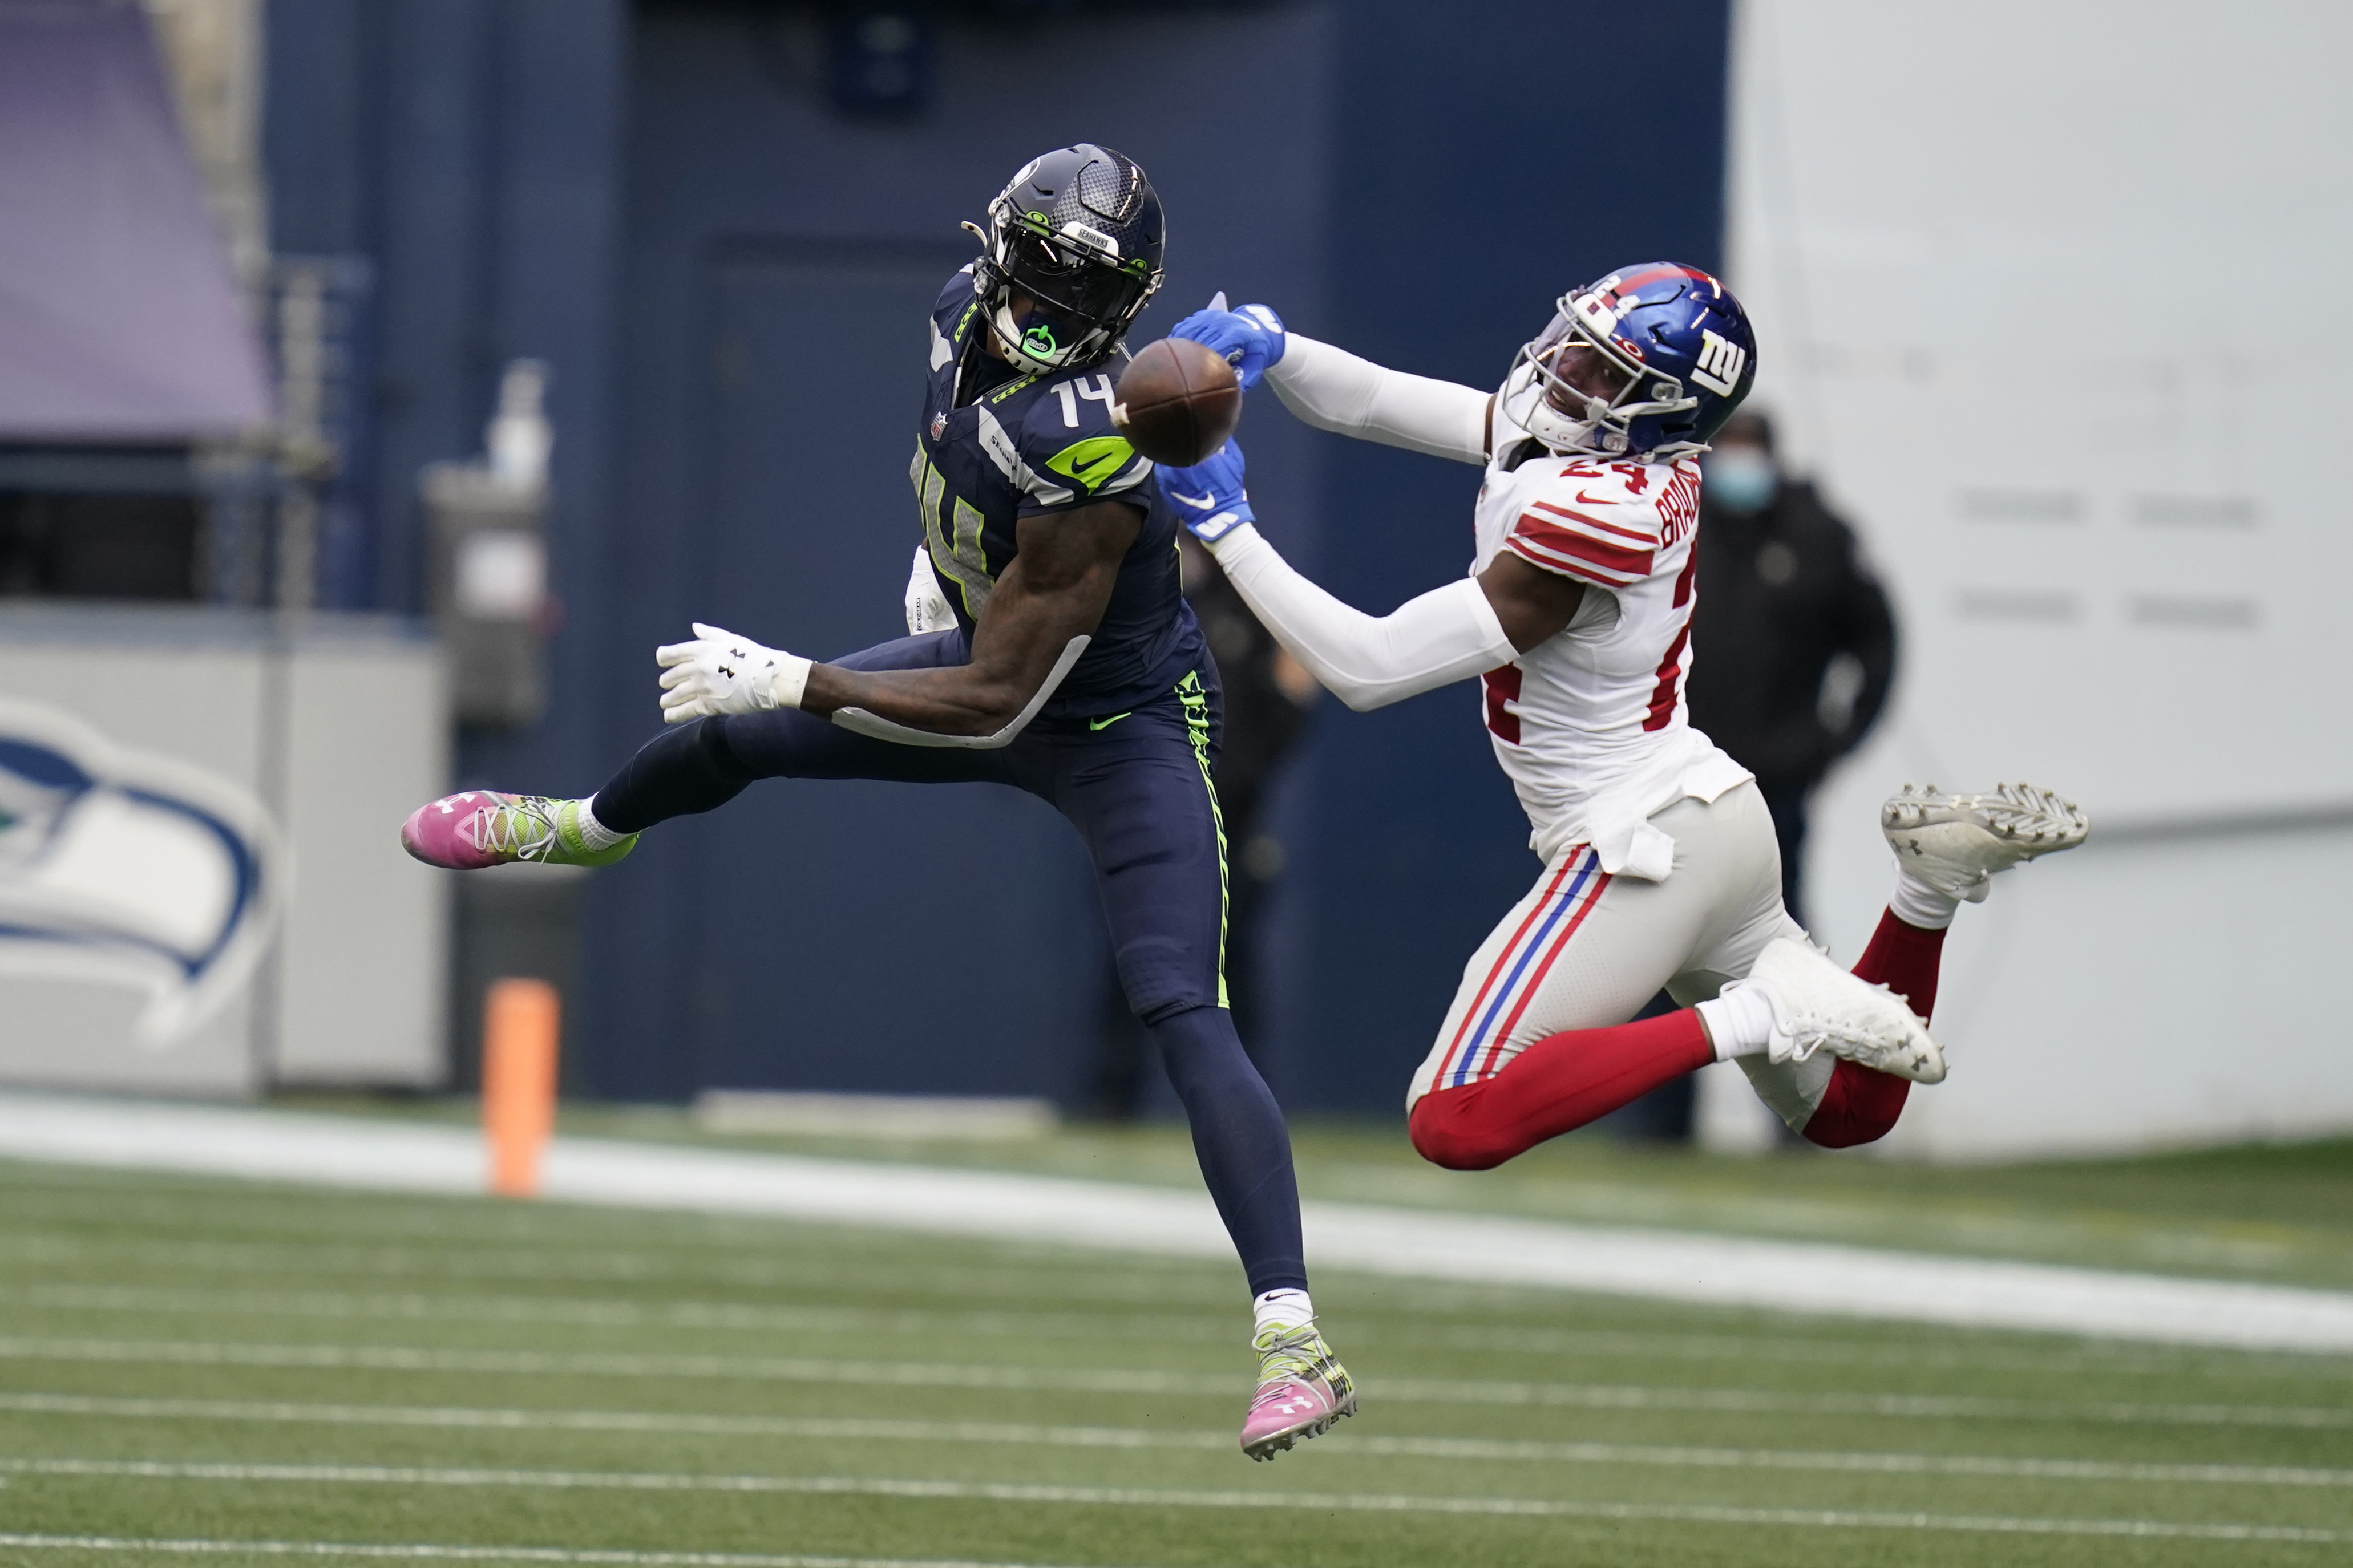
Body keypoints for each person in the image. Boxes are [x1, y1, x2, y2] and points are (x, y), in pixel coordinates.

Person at [398, 145, 1353, 1462]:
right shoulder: (965, 306)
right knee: (739, 742)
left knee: (1177, 994)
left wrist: (800, 671)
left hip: (1116, 721)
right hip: (992, 650)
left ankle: (1292, 1333)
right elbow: (949, 453)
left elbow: (997, 698)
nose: (1047, 304)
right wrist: (946, 556)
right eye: (1048, 272)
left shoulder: (1095, 448)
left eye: (1084, 292)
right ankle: (580, 827)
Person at [1158, 266, 2086, 1165]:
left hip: (1640, 841)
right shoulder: (1608, 449)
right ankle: (1926, 888)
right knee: (1846, 1109)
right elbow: (1374, 402)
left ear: (1661, 410)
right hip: (1705, 814)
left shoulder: (1596, 514)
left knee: (1456, 1114)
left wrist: (1225, 526)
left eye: (1604, 370)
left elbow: (1367, 665)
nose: (1565, 369)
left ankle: (1764, 1010)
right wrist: (1274, 348)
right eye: (1575, 342)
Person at [1086, 536, 1319, 1119]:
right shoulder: (1143, 605)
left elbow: (1286, 706)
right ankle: (1111, 1099)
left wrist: (1234, 772)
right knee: (1133, 956)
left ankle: (1245, 1106)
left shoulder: (1249, 608)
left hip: (1231, 818)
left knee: (1231, 960)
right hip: (1151, 814)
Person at [1684, 410, 1896, 926]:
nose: (1738, 464)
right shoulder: (1677, 527)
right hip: (1676, 777)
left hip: (1774, 779)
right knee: (1673, 926)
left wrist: (1830, 744)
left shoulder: (1817, 535)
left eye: (1749, 449)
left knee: (1773, 924)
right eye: (1726, 449)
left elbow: (1877, 642)